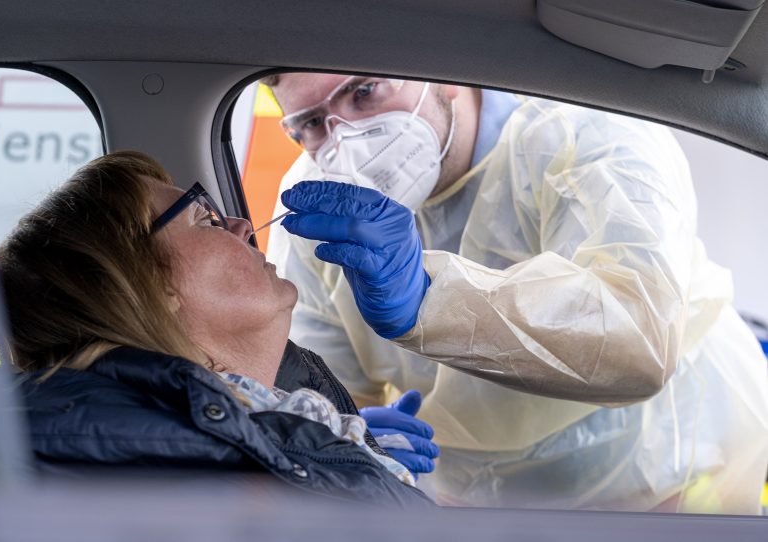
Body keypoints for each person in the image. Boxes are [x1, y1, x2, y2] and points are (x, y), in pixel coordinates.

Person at [262, 73, 768, 513]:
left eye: (364, 93)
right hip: (471, 499)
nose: (345, 138)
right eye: (310, 124)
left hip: (669, 472)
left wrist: (429, 301)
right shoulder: (320, 205)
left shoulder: (588, 132)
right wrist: (347, 436)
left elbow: (639, 335)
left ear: (442, 73)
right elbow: (320, 383)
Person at [0, 150, 433, 507]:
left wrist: (340, 453)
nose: (240, 225)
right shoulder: (175, 479)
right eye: (206, 220)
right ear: (149, 288)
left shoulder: (288, 413)